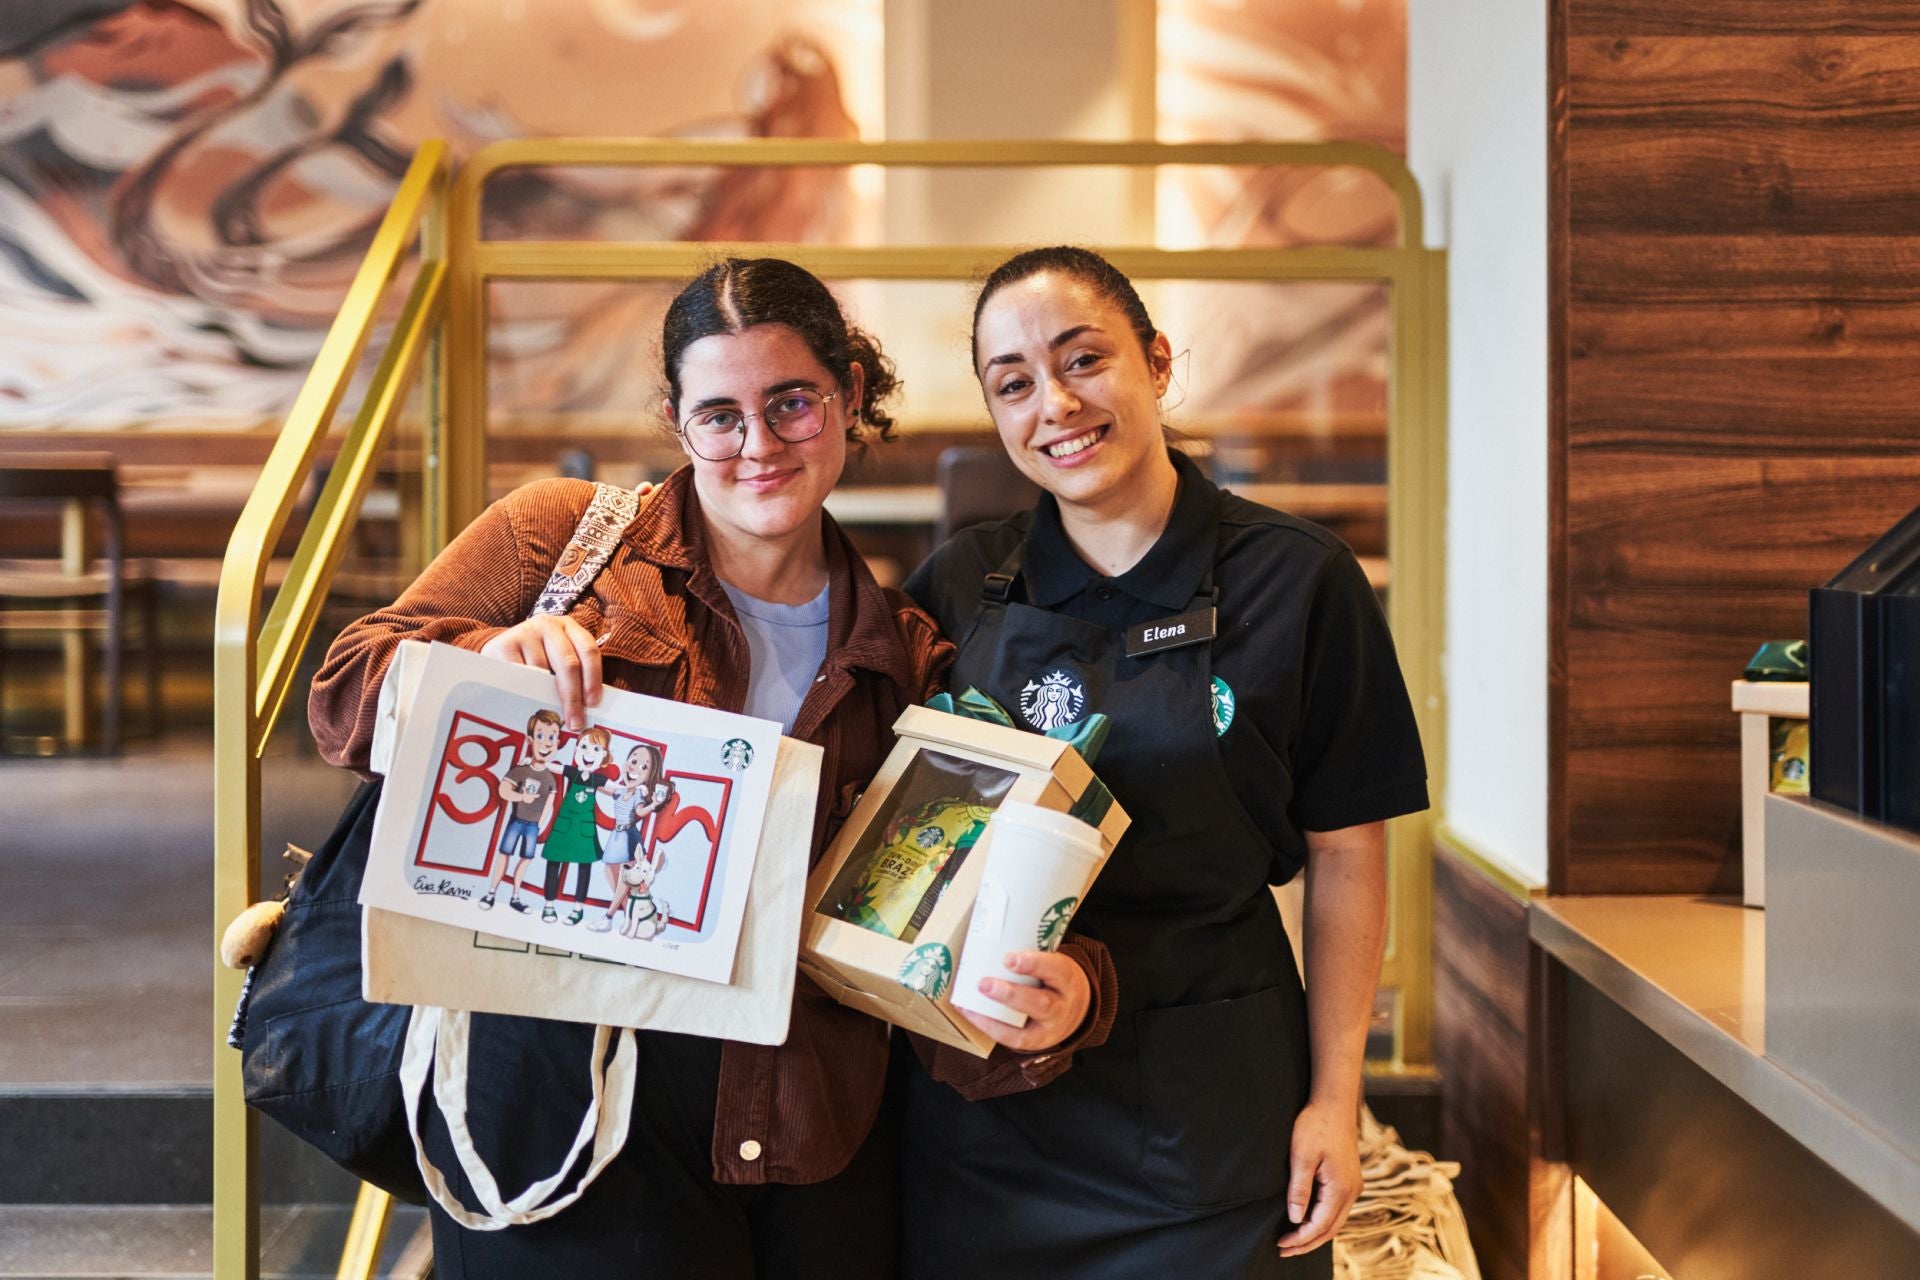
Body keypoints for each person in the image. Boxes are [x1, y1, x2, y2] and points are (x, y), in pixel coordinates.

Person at [309, 257, 989, 1278]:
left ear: (849, 395)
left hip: (797, 1112)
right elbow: (342, 692)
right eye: (720, 414)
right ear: (679, 421)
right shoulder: (564, 536)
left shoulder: (905, 651)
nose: (758, 445)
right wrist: (480, 661)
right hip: (558, 1086)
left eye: (792, 403)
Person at [895, 246, 1428, 1279]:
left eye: (1082, 359)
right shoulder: (962, 584)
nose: (1055, 403)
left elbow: (1349, 856)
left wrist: (1336, 1095)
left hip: (1211, 1118)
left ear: (1157, 361)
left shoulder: (1298, 579)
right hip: (990, 1121)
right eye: (1014, 383)